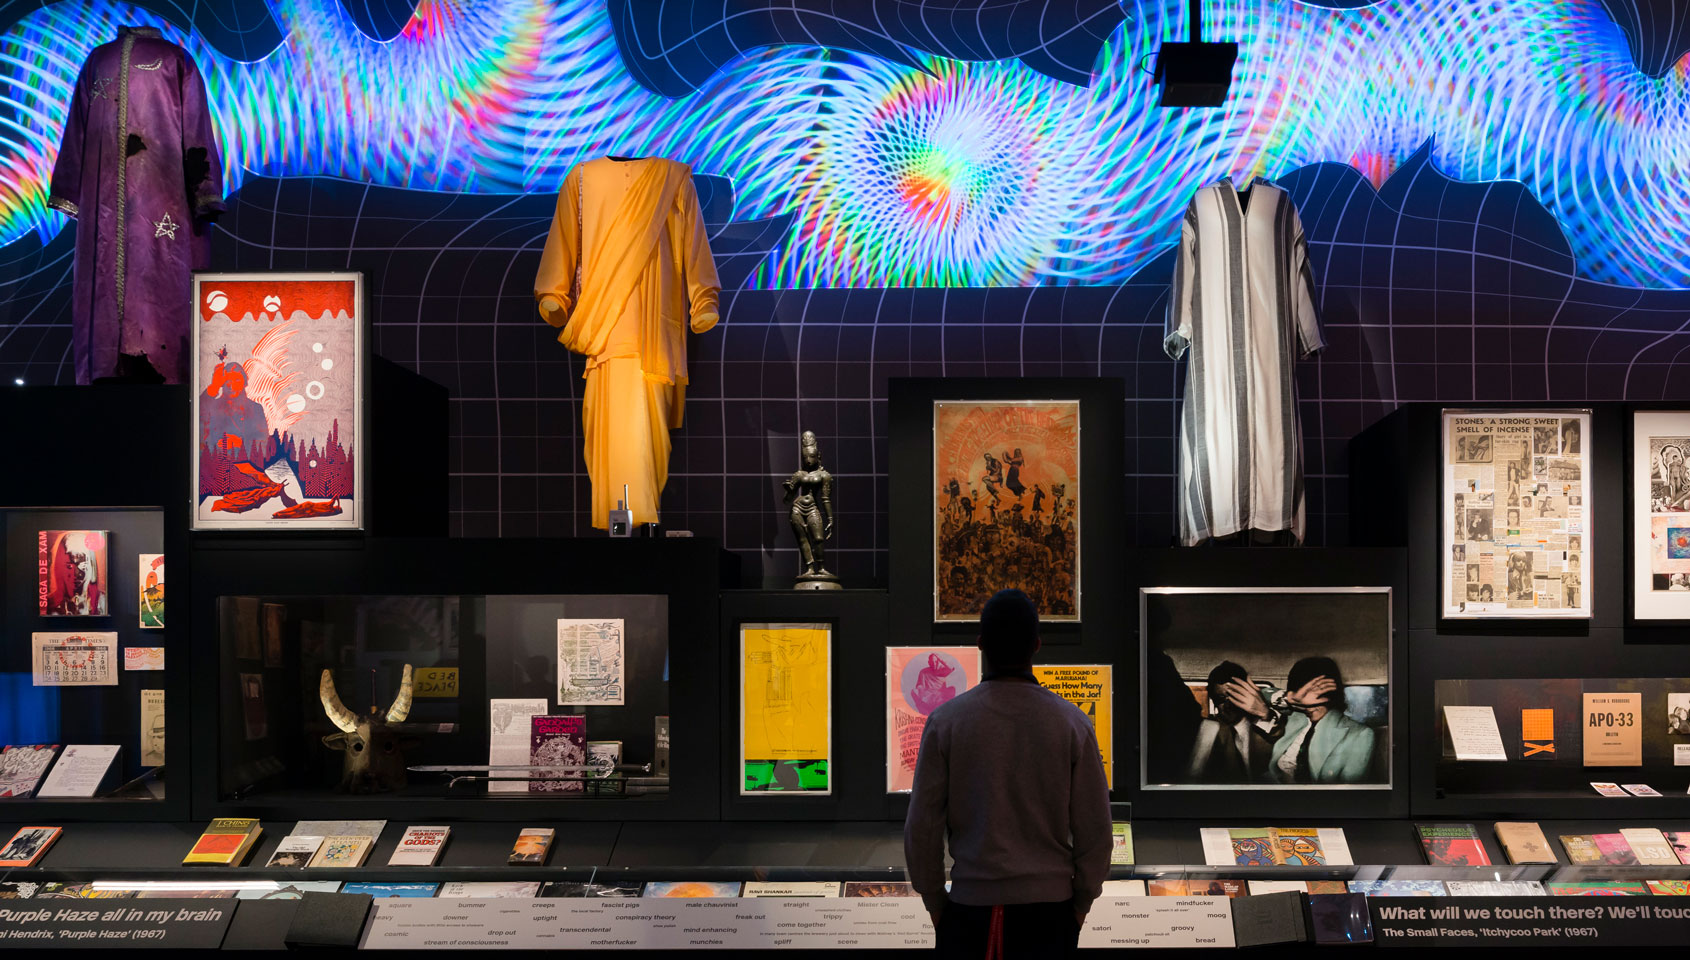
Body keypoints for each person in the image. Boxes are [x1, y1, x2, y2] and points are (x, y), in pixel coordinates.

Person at [905, 590, 1110, 959]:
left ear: (980, 643)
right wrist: (1081, 904)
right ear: (1037, 645)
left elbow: (923, 828)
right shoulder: (1073, 723)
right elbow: (1096, 830)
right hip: (1051, 914)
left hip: (969, 911)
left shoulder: (945, 722)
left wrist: (935, 901)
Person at [1218, 657, 1376, 784]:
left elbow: (1348, 795)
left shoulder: (1361, 735)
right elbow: (1264, 695)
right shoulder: (1296, 719)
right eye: (1302, 695)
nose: (1309, 704)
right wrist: (1290, 697)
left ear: (1332, 693)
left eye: (1316, 695)